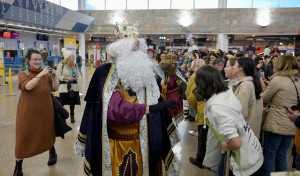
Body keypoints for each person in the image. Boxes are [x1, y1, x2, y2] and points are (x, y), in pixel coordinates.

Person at [74, 23, 180, 176]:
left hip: (144, 143)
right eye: (134, 45)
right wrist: (149, 109)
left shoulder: (146, 73)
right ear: (122, 49)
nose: (138, 49)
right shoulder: (104, 74)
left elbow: (157, 104)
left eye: (138, 45)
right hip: (114, 145)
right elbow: (115, 109)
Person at [193, 65, 263, 176]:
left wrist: (226, 146)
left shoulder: (217, 108)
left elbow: (236, 143)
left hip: (242, 158)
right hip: (253, 148)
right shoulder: (225, 94)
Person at [13, 48, 60, 176]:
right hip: (27, 113)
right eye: (35, 59)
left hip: (46, 112)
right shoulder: (24, 74)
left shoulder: (47, 74)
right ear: (28, 60)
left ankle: (52, 152)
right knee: (22, 138)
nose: (38, 62)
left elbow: (55, 88)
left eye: (40, 59)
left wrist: (54, 76)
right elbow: (27, 87)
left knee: (47, 133)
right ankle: (18, 167)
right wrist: (41, 74)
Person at [261, 55, 300, 175]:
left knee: (270, 154)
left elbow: (265, 97)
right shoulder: (298, 79)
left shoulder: (278, 79)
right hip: (292, 122)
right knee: (282, 154)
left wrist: (263, 86)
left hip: (276, 122)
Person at [232, 57, 263, 139]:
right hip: (249, 131)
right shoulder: (250, 82)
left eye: (235, 64)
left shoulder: (245, 85)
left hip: (242, 133)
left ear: (241, 68)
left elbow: (241, 111)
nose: (233, 67)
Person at [154, 54, 187, 126]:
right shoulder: (158, 69)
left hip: (174, 96)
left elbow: (179, 81)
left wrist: (182, 85)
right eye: (172, 64)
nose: (174, 65)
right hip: (162, 97)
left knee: (173, 119)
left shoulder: (175, 72)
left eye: (175, 64)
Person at [56, 48, 81, 123]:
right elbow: (58, 76)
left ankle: (72, 116)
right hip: (64, 87)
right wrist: (67, 78)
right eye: (72, 56)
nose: (73, 57)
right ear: (67, 57)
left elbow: (78, 74)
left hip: (73, 87)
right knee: (62, 102)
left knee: (72, 102)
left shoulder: (75, 65)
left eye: (73, 56)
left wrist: (76, 77)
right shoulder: (61, 65)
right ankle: (59, 117)